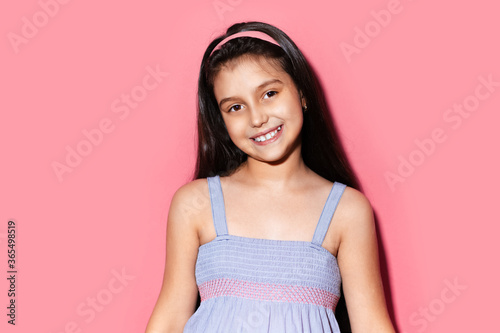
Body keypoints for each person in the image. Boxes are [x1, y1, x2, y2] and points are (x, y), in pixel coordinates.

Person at [145, 21, 396, 333]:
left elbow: (371, 325)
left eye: (270, 93)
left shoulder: (347, 210)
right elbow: (169, 320)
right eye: (235, 107)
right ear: (222, 122)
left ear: (302, 94)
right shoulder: (195, 204)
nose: (257, 117)